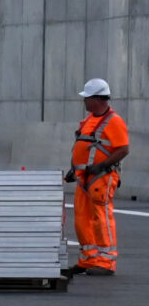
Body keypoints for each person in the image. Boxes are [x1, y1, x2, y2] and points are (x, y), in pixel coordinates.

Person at [67, 79, 127, 276]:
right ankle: (88, 258)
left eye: (87, 98)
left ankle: (105, 261)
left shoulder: (114, 121)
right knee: (81, 218)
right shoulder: (88, 120)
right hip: (83, 177)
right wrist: (73, 169)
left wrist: (102, 165)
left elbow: (123, 149)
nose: (84, 102)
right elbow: (81, 145)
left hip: (101, 177)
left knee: (101, 218)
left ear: (98, 99)